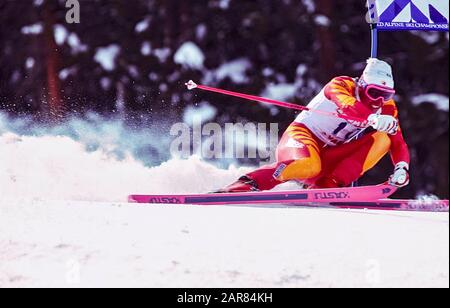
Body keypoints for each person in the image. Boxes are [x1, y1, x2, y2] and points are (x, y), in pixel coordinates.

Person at [219, 58, 410, 193]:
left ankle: (328, 185)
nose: (378, 100)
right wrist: (372, 118)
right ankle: (249, 183)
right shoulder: (341, 84)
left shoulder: (387, 108)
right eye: (374, 92)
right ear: (361, 85)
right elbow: (345, 104)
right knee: (310, 165)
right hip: (302, 138)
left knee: (384, 138)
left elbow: (398, 142)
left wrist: (402, 167)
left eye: (385, 95)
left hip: (329, 154)